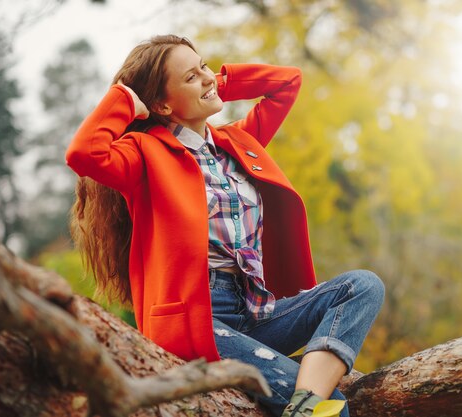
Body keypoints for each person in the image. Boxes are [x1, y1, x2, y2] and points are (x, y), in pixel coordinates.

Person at [66, 34, 385, 417]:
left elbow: (287, 83)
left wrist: (220, 81)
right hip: (198, 319)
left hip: (255, 309)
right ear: (162, 104)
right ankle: (314, 400)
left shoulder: (238, 141)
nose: (205, 77)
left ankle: (306, 400)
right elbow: (84, 153)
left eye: (204, 66)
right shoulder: (145, 154)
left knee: (363, 285)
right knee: (334, 408)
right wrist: (123, 100)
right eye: (190, 77)